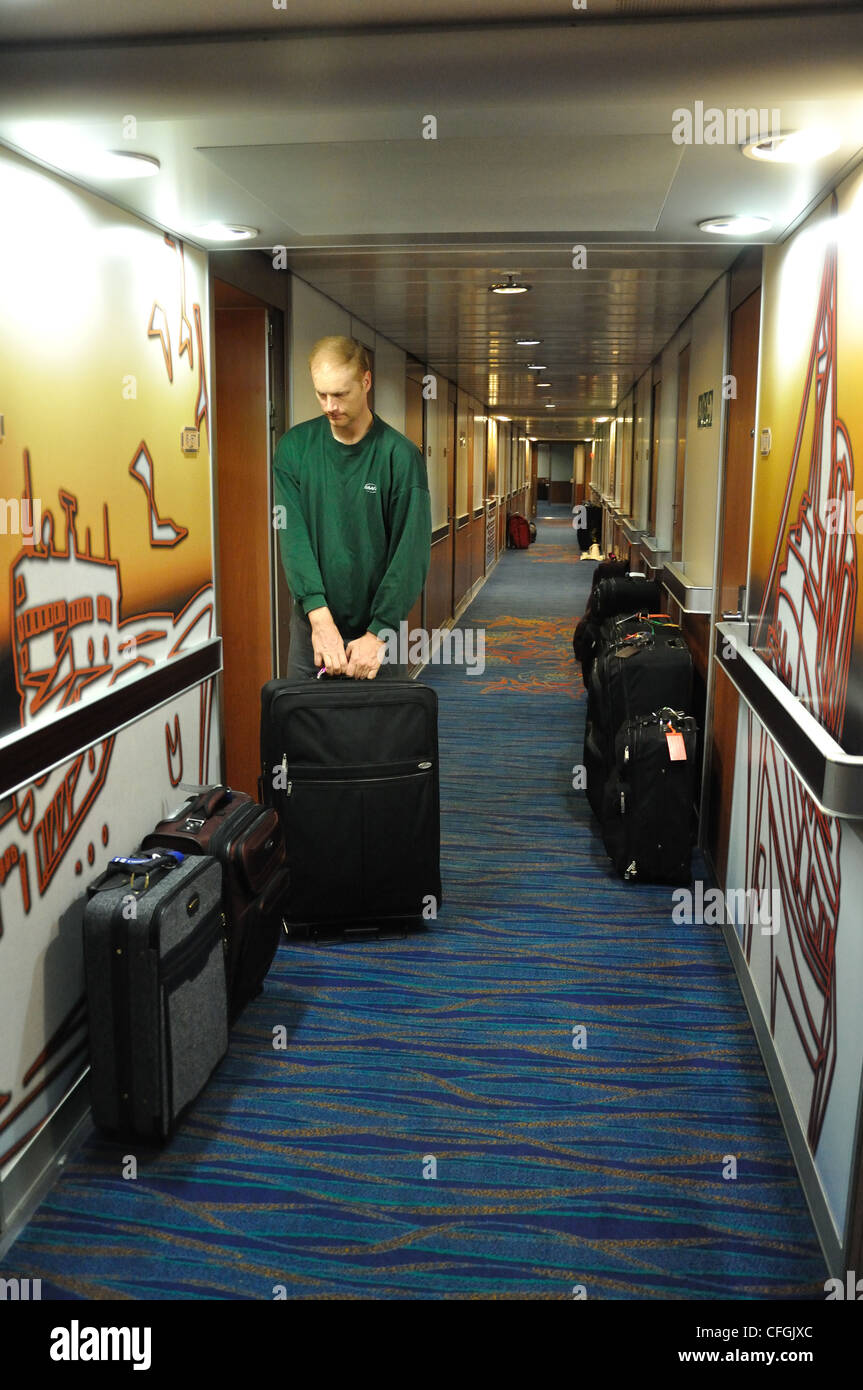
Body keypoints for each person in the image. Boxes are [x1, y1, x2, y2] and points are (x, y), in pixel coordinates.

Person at [273, 336, 431, 679]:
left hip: (378, 631)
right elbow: (292, 537)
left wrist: (379, 632)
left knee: (378, 730)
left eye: (341, 394)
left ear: (366, 381)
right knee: (306, 729)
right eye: (321, 394)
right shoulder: (294, 450)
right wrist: (319, 617)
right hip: (313, 627)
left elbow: (411, 552)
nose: (330, 405)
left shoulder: (400, 456)